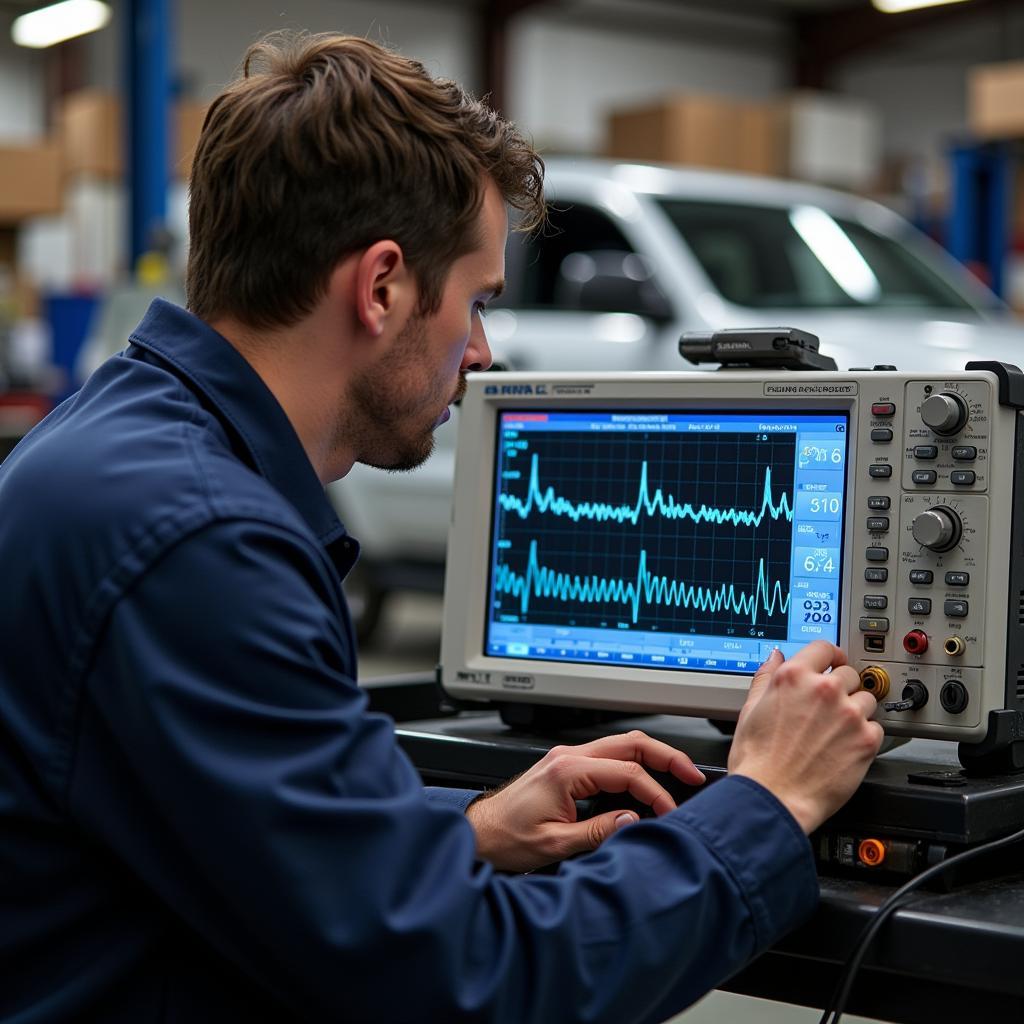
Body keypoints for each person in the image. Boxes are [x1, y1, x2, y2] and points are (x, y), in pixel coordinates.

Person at [0, 32, 883, 1024]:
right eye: (474, 302)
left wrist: (459, 828)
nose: (482, 351)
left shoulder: (110, 446)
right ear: (380, 287)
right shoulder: (199, 544)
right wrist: (765, 802)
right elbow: (465, 985)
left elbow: (226, 823)